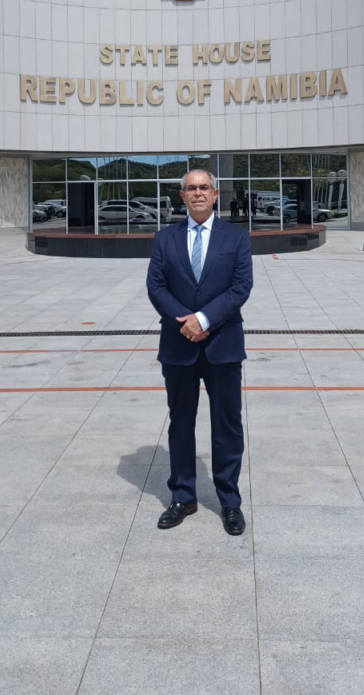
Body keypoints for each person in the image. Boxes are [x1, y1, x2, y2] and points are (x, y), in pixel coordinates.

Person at [146, 169, 253, 535]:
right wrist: (185, 323)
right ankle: (183, 496)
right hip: (178, 346)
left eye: (203, 187)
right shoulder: (164, 238)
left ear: (215, 193)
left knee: (227, 426)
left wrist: (204, 320)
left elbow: (241, 287)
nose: (197, 193)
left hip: (223, 346)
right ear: (182, 197)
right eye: (190, 189)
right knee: (180, 425)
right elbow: (156, 287)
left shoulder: (236, 238)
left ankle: (229, 501)